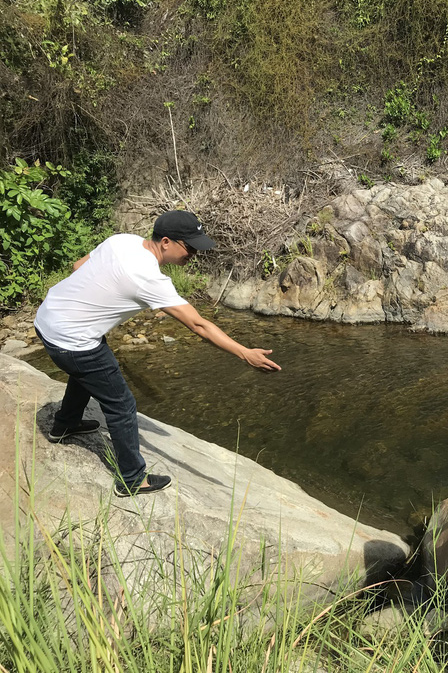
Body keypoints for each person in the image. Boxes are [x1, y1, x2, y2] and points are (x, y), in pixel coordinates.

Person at [34, 210, 281, 498]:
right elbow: (199, 325)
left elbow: (78, 267)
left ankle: (65, 425)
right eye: (190, 248)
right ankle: (132, 480)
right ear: (166, 242)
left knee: (88, 371)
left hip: (47, 320)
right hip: (72, 341)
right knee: (122, 405)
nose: (194, 254)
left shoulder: (121, 240)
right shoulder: (148, 279)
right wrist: (244, 353)